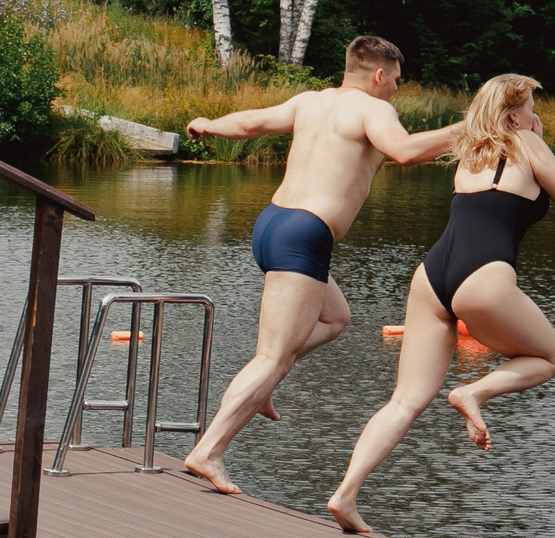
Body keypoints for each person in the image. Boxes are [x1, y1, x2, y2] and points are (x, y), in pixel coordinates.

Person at [178, 36, 461, 495]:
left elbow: (250, 123)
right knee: (271, 356)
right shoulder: (373, 109)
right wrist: (472, 126)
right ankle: (208, 450)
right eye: (396, 81)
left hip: (272, 224)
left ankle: (264, 384)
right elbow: (406, 151)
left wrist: (208, 125)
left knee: (335, 318)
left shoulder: (309, 101)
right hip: (304, 234)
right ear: (379, 75)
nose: (396, 90)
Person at [326, 73, 555, 535]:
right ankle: (473, 393)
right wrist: (539, 142)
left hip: (433, 276)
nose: (536, 115)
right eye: (530, 108)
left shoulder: (470, 151)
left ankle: (346, 493)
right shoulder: (527, 142)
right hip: (484, 276)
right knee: (549, 357)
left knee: (404, 399)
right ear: (513, 115)